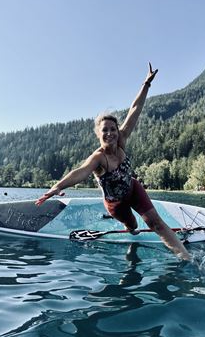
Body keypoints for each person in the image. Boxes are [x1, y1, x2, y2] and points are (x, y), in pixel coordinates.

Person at [36, 63, 190, 261]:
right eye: (105, 130)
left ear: (118, 131)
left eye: (113, 129)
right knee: (133, 227)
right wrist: (57, 187)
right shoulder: (98, 157)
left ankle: (184, 257)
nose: (110, 133)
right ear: (98, 134)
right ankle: (128, 226)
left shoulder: (122, 140)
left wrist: (146, 84)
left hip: (133, 188)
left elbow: (136, 108)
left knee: (156, 223)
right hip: (115, 204)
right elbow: (81, 172)